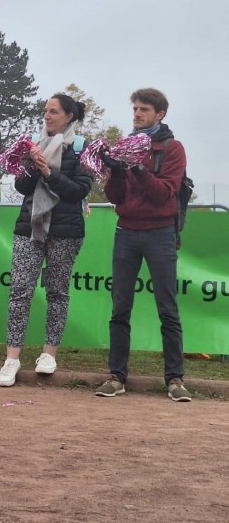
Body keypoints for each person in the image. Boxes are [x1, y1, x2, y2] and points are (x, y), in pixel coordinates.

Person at [96, 88, 191, 402]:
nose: (137, 114)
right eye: (135, 108)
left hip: (160, 232)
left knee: (168, 308)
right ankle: (116, 377)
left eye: (144, 109)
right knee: (120, 308)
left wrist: (137, 167)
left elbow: (164, 194)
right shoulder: (124, 146)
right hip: (126, 230)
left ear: (160, 114)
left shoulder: (172, 148)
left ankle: (175, 380)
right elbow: (116, 199)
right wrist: (113, 172)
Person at [0, 94, 93, 386]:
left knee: (57, 292)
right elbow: (22, 185)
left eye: (53, 111)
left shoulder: (82, 147)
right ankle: (11, 358)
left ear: (69, 116)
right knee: (19, 292)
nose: (47, 116)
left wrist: (49, 172)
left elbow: (80, 189)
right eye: (45, 111)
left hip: (65, 230)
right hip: (30, 227)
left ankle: (49, 354)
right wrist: (33, 165)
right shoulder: (34, 144)